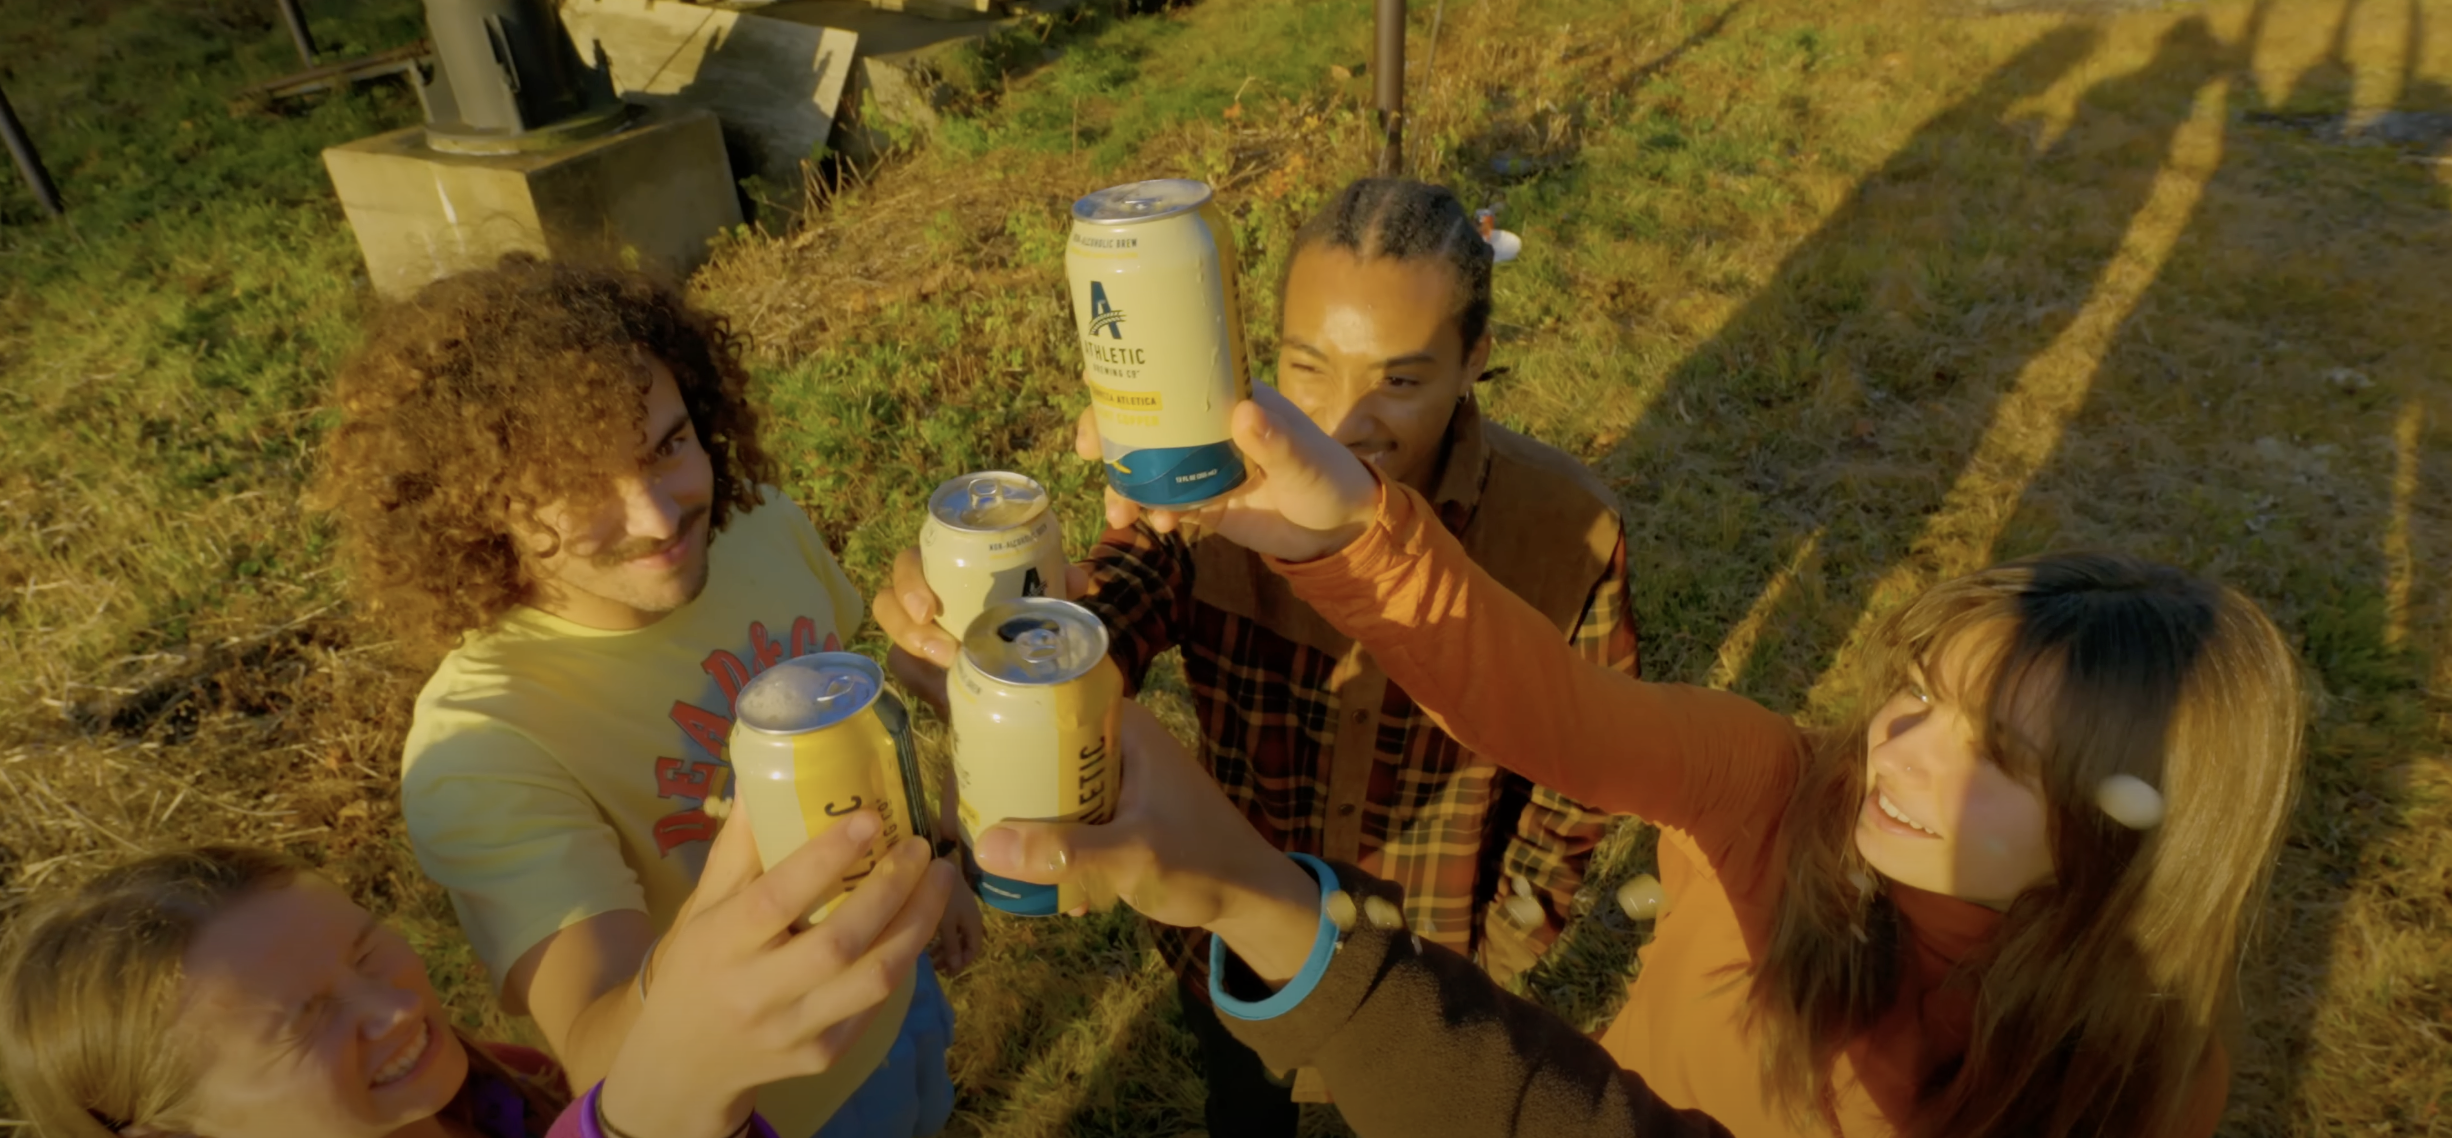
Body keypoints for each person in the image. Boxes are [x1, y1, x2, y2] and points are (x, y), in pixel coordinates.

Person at [1041, 384, 2306, 1138]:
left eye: (2002, 758)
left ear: (2131, 839)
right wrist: (1343, 533)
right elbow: (1558, 713)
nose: (1899, 751)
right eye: (1917, 691)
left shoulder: (2147, 1067)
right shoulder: (1783, 789)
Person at [879, 178, 1629, 1133]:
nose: (1344, 421)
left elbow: (1582, 782)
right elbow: (1108, 614)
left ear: (1474, 358)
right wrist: (987, 633)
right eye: (1307, 367)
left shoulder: (1567, 534)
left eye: (1400, 381)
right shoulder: (1212, 499)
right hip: (1233, 957)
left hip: (1431, 975)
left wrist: (1504, 944)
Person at [309, 255, 982, 1138]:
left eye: (667, 445)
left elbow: (857, 745)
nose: (660, 518)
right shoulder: (483, 750)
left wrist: (933, 861)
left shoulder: (760, 527)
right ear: (478, 509)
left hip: (903, 1004)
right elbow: (602, 1059)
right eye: (578, 487)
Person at [0, 807, 955, 1138]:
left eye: (367, 948)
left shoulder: (493, 1089)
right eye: (305, 1018)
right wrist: (651, 1113)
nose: (393, 1006)